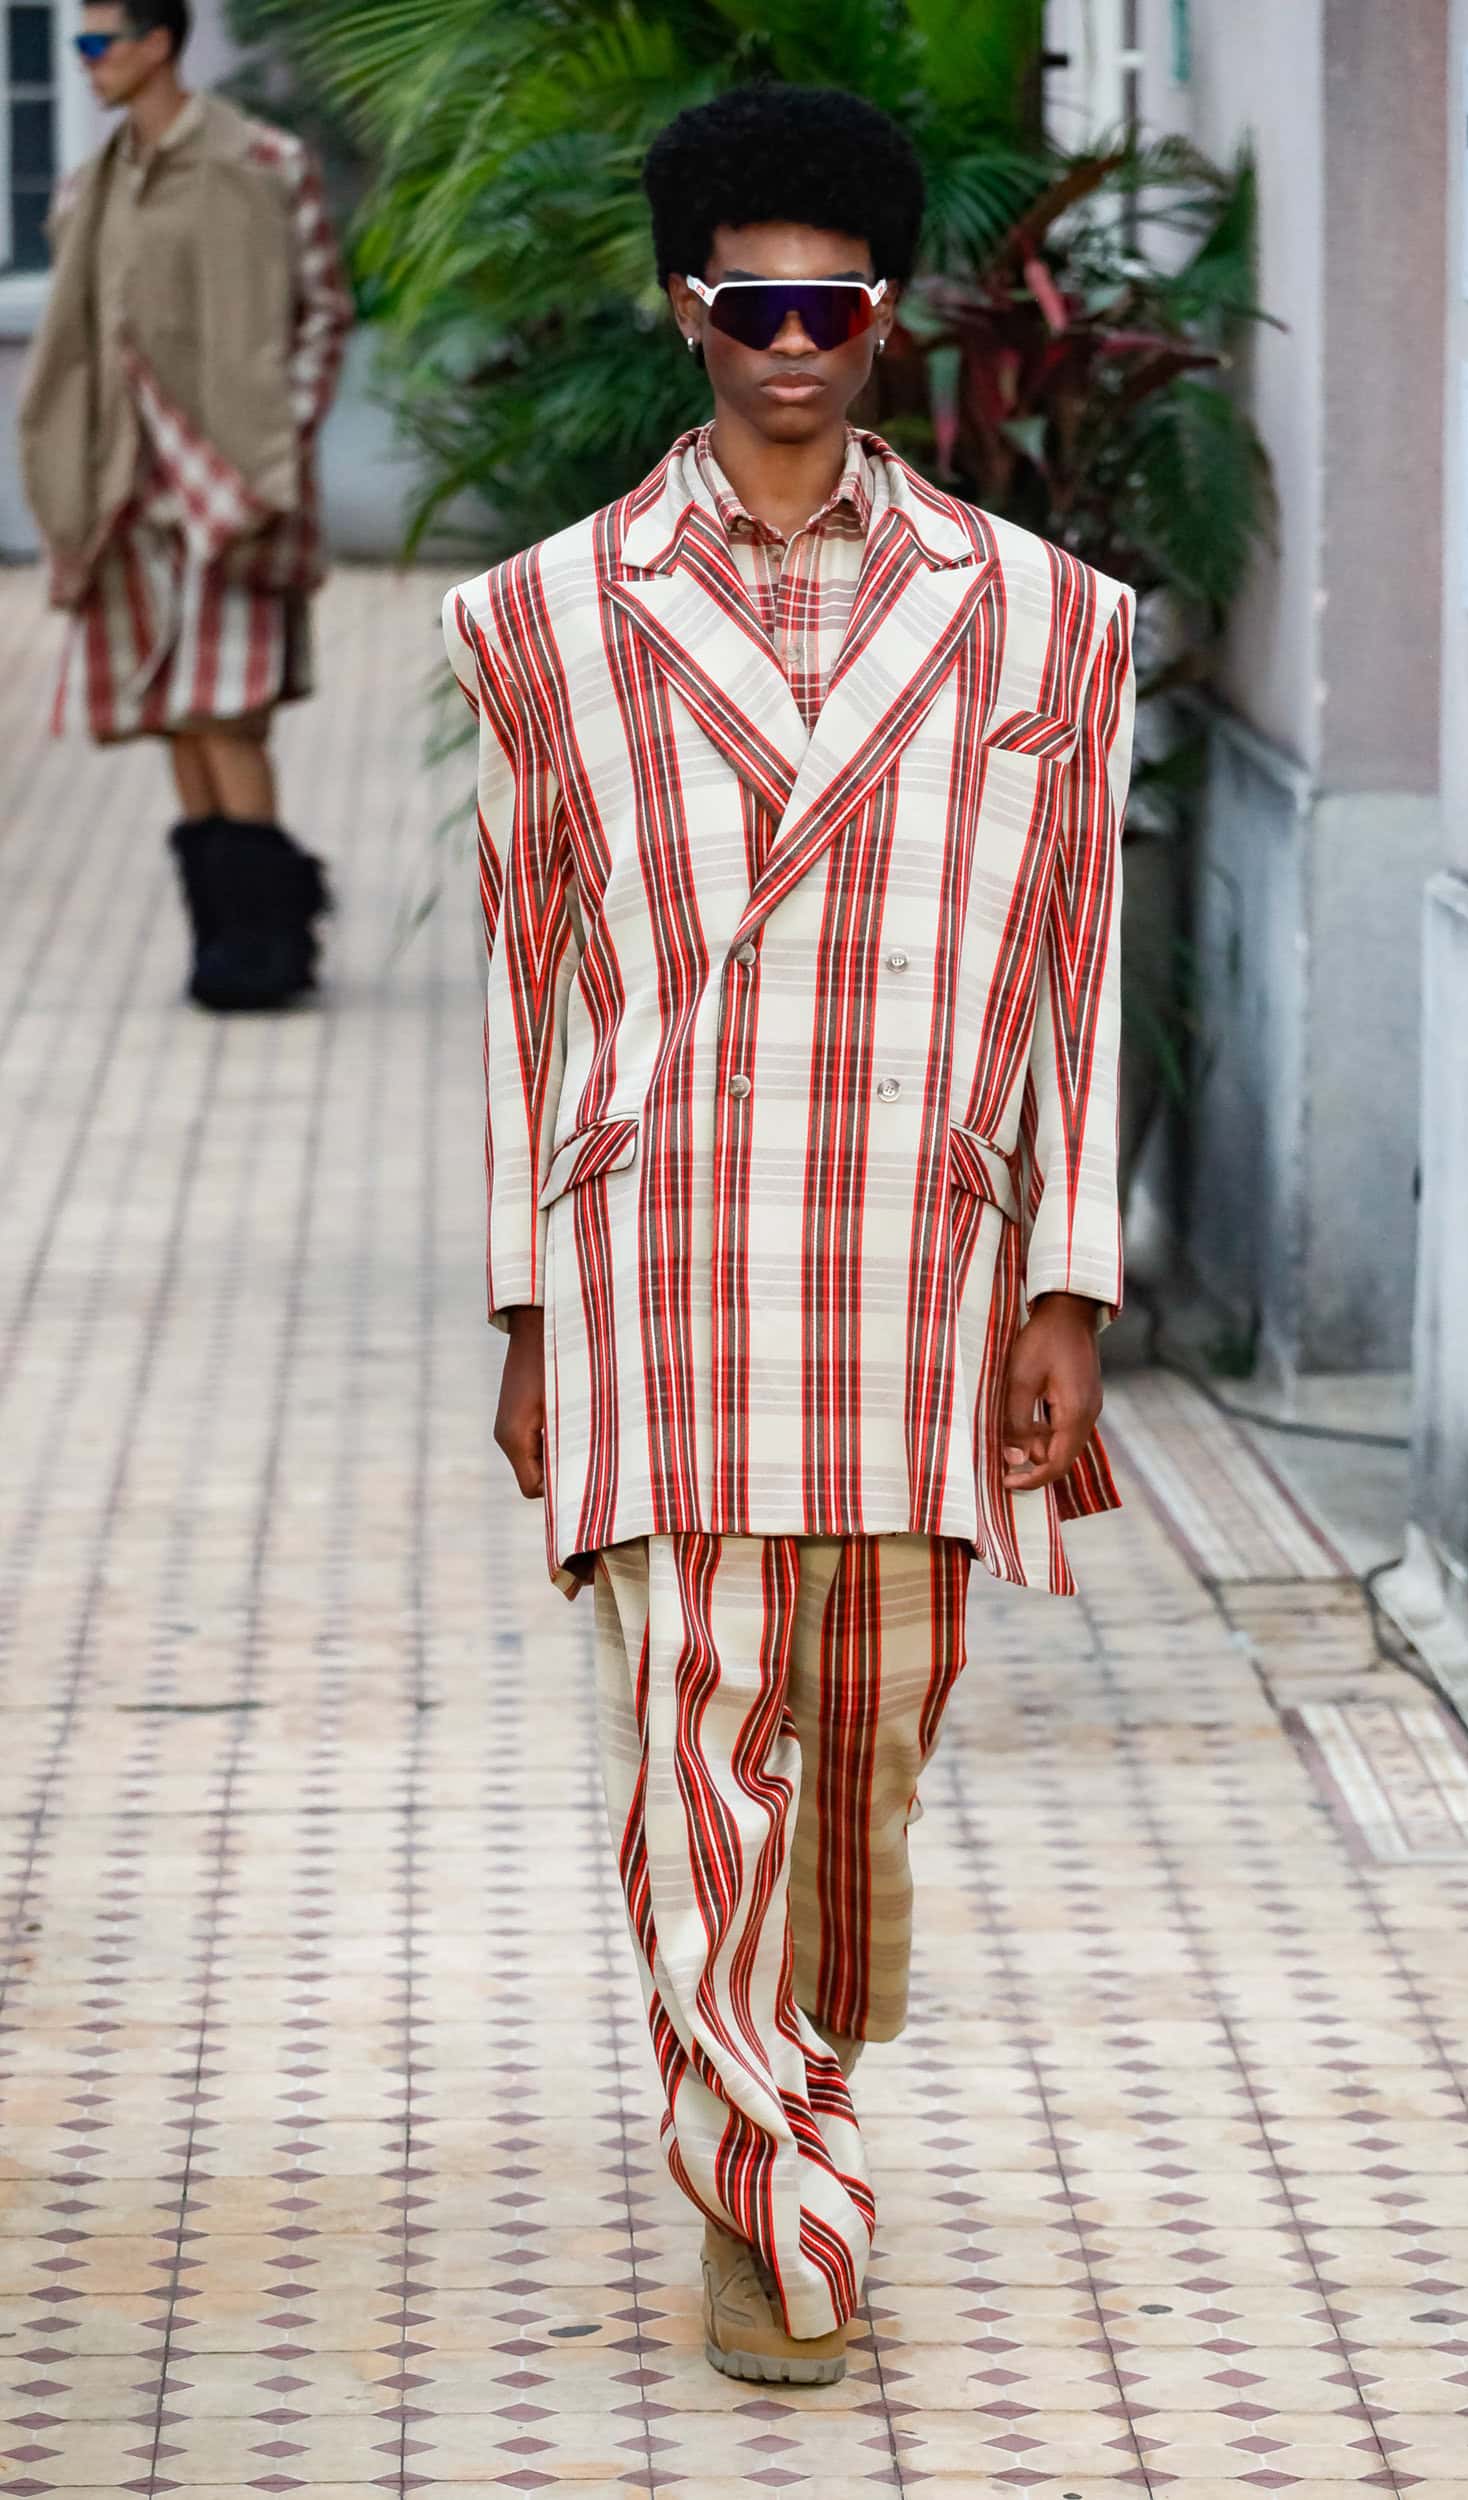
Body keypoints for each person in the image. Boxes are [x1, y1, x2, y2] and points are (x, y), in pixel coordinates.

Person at [442, 83, 1133, 2388]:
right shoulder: (540, 620)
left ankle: (804, 2029)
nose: (795, 343)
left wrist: (1066, 1280)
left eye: (834, 304)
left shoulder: (1042, 619)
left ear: (888, 312)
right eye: (755, 303)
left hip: (913, 1253)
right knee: (692, 1725)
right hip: (663, 1245)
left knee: (864, 1726)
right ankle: (767, 2195)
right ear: (687, 308)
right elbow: (524, 981)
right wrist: (526, 1304)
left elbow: (1077, 973)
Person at [18, 0, 353, 1011]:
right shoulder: (92, 185)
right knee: (174, 716)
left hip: (233, 489)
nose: (84, 61)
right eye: (79, 43)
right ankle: (222, 938)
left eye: (97, 42)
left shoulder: (263, 162)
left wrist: (276, 443)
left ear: (158, 43)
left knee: (227, 714)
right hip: (124, 487)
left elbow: (322, 315)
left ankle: (268, 945)